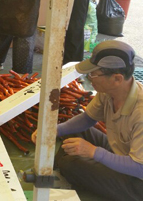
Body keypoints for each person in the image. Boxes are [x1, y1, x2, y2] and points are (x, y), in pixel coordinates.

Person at [31, 40, 143, 200]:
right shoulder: (108, 92)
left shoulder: (140, 113)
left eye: (93, 74)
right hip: (122, 151)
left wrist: (94, 153)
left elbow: (139, 168)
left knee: (70, 164)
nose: (90, 79)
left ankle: (67, 169)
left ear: (117, 78)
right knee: (75, 132)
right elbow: (87, 119)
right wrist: (55, 130)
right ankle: (60, 169)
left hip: (138, 181)